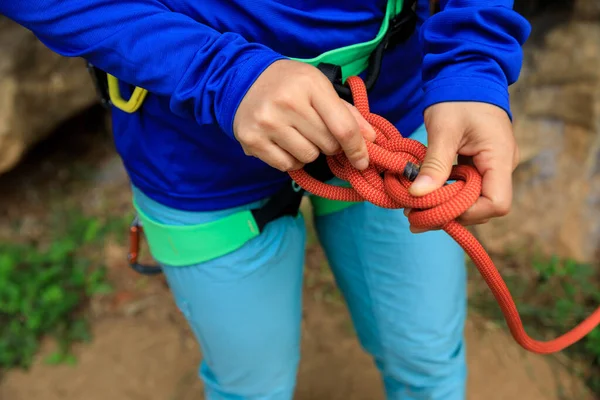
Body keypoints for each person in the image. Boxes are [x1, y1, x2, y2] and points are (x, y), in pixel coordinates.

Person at [0, 0, 531, 399]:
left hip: (389, 116)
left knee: (428, 356)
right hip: (192, 145)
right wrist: (219, 75)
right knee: (250, 387)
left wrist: (472, 60)